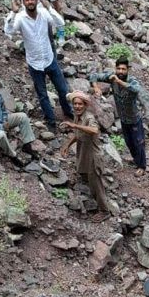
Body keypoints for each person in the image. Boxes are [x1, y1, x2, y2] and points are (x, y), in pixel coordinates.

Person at [4, 0, 73, 131]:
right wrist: (13, 12)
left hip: (49, 59)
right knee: (42, 95)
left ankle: (69, 113)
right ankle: (51, 121)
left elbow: (60, 23)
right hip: (35, 63)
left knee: (63, 89)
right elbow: (9, 31)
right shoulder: (21, 18)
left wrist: (49, 7)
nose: (30, 2)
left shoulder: (43, 14)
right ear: (23, 2)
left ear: (36, 0)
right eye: (27, 0)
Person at [60, 91, 112, 222]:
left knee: (96, 184)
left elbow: (94, 130)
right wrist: (67, 145)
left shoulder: (88, 118)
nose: (77, 106)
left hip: (93, 156)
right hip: (83, 153)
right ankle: (88, 189)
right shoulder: (78, 116)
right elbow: (77, 134)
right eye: (75, 104)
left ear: (85, 105)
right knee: (85, 174)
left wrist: (74, 125)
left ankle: (104, 211)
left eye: (80, 104)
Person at [89, 58, 147, 176]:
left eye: (123, 69)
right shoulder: (112, 77)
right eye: (118, 69)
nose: (120, 71)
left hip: (135, 119)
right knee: (129, 142)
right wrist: (96, 87)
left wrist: (119, 82)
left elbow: (136, 89)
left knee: (138, 142)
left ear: (128, 70)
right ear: (115, 69)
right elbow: (94, 76)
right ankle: (136, 160)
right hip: (123, 119)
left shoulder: (132, 80)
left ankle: (142, 166)